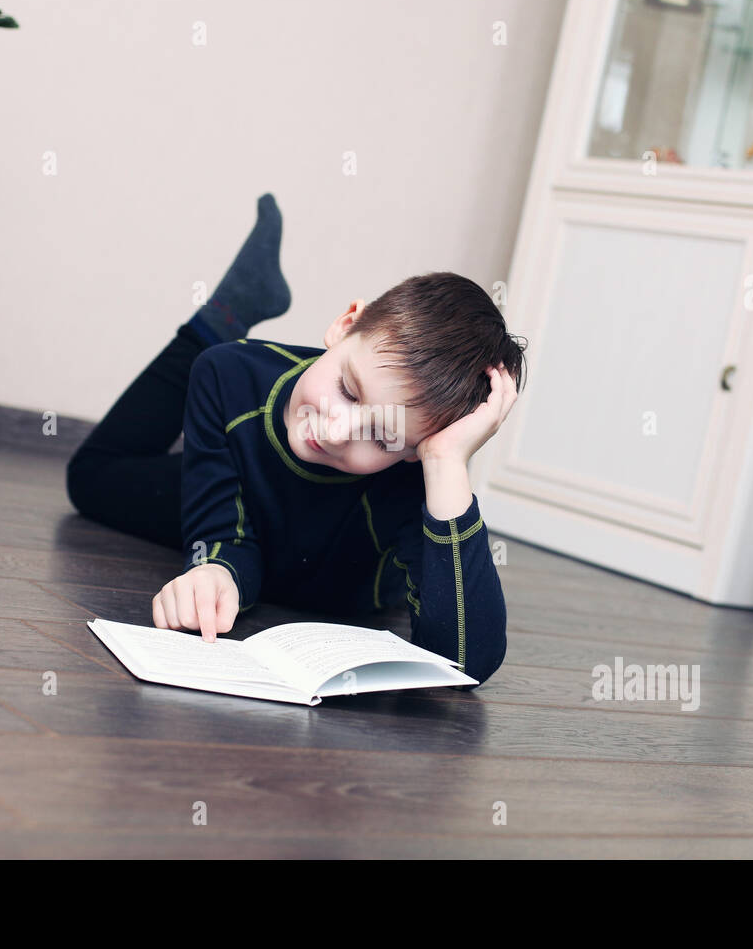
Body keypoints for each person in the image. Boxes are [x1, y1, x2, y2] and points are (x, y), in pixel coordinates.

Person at [66, 193, 527, 686]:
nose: (333, 432)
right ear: (346, 324)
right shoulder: (231, 377)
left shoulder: (414, 479)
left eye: (382, 436)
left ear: (416, 451)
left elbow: (464, 659)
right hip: (247, 497)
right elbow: (221, 533)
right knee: (91, 478)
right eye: (348, 391)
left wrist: (446, 464)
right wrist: (216, 570)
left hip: (322, 559)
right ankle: (223, 314)